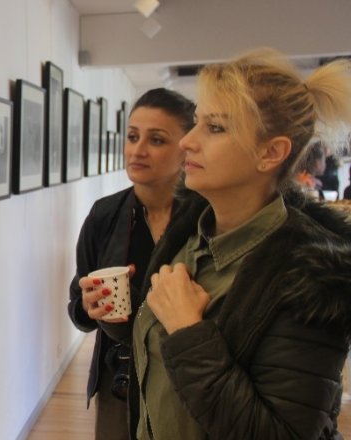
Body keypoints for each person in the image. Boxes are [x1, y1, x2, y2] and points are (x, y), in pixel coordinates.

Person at [92, 48, 351, 439]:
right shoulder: (190, 231)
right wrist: (119, 322)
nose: (187, 142)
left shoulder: (309, 278)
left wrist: (187, 332)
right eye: (197, 122)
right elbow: (162, 361)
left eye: (214, 128)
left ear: (271, 152)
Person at [67, 88, 195, 440]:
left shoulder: (206, 217)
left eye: (156, 140)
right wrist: (89, 307)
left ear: (187, 149)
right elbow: (77, 303)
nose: (138, 150)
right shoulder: (105, 215)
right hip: (120, 381)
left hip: (185, 381)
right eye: (133, 136)